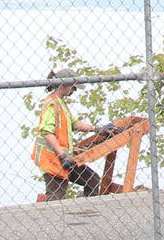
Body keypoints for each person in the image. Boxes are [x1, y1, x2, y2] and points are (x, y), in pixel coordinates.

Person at [33, 72, 108, 201]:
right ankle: (50, 219)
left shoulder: (60, 103)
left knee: (92, 180)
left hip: (65, 158)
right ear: (64, 85)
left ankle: (88, 213)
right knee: (56, 196)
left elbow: (75, 123)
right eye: (73, 87)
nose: (74, 90)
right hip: (52, 159)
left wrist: (97, 129)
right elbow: (47, 132)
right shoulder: (51, 104)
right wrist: (62, 155)